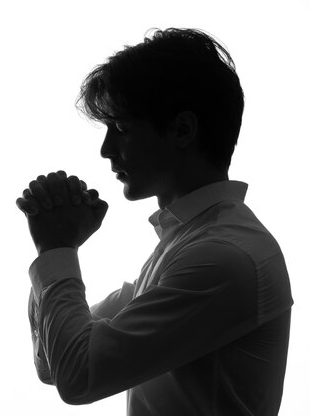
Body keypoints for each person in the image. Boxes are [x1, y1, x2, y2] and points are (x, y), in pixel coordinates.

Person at [15, 28, 293, 416]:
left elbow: (77, 375)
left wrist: (57, 248)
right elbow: (52, 362)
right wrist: (54, 249)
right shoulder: (186, 248)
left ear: (182, 130)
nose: (106, 149)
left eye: (122, 129)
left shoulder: (222, 258)